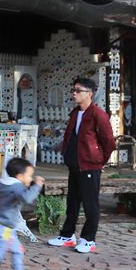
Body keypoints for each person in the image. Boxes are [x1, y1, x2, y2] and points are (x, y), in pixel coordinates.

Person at [47, 77, 115, 254]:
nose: (74, 93)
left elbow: (109, 142)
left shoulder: (98, 114)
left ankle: (89, 239)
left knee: (90, 203)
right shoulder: (75, 113)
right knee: (72, 201)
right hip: (75, 165)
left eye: (78, 90)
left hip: (90, 165)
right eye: (74, 90)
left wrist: (99, 160)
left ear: (89, 94)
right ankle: (67, 235)